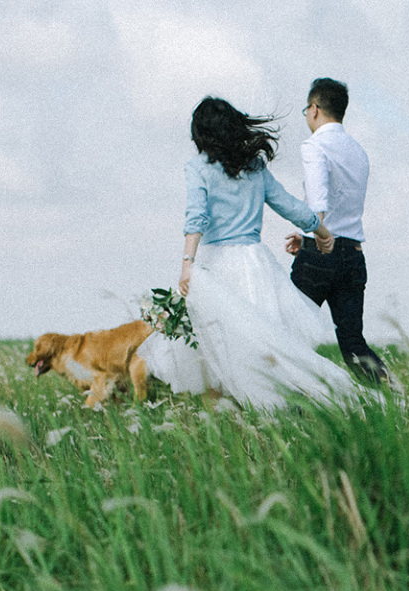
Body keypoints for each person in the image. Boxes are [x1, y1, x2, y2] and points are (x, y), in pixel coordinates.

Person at [138, 96, 368, 412]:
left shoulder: (198, 169)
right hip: (256, 265)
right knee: (264, 348)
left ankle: (253, 414)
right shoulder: (255, 168)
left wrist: (187, 264)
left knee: (218, 349)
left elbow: (196, 216)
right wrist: (321, 230)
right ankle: (276, 408)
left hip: (219, 265)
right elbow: (287, 203)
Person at [286, 78, 391, 386]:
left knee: (289, 334)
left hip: (320, 253)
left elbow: (318, 203)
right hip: (353, 256)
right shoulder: (358, 151)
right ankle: (391, 398)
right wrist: (303, 234)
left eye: (307, 109)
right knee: (352, 343)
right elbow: (342, 206)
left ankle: (294, 406)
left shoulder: (314, 146)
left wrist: (313, 235)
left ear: (315, 109)